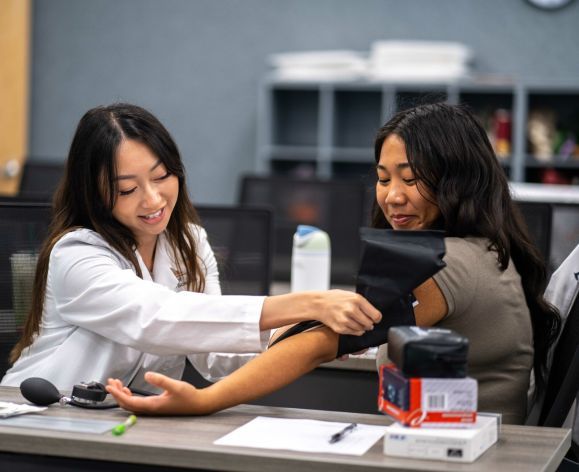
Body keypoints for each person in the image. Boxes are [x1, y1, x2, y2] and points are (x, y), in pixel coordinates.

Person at [105, 103, 560, 424]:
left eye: (412, 178)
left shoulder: (445, 265)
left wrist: (206, 401)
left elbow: (324, 342)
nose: (392, 196)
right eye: (383, 179)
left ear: (458, 179)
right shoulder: (482, 247)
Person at [1, 103, 381, 391]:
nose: (152, 200)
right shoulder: (76, 254)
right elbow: (158, 318)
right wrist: (308, 304)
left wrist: (310, 331)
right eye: (127, 189)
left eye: (161, 176)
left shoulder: (189, 242)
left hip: (121, 418)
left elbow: (214, 353)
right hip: (38, 416)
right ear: (94, 193)